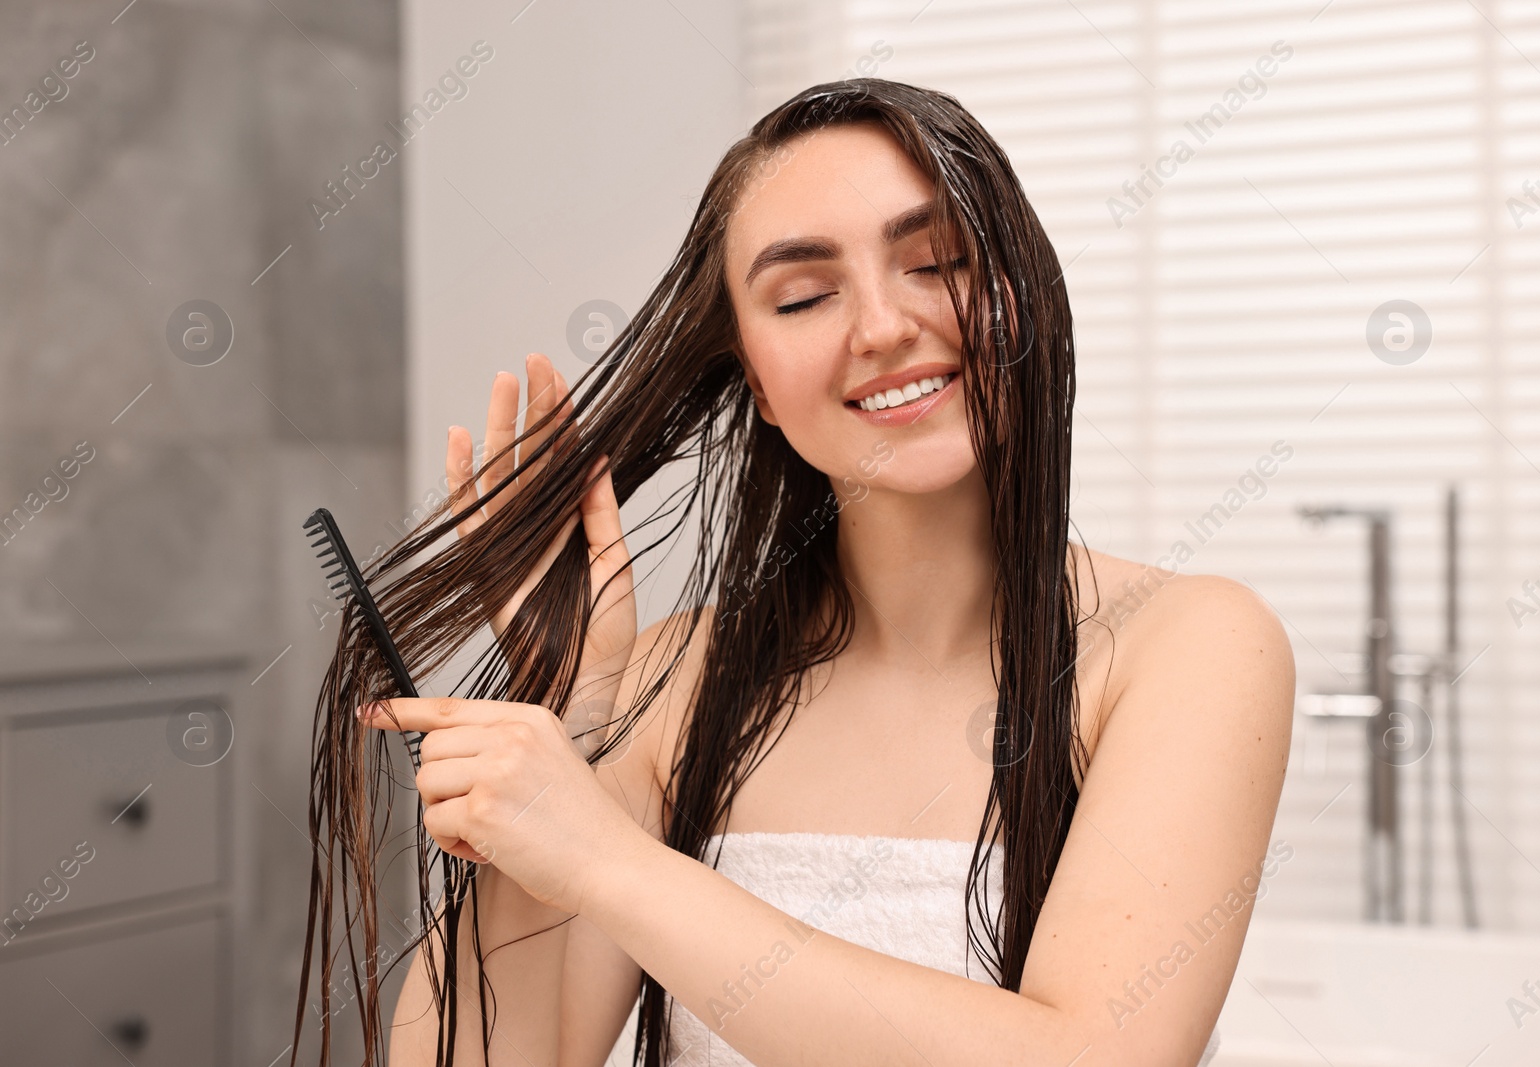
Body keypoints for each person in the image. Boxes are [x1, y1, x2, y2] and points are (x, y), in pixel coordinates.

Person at [361, 78, 1293, 1067]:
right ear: (755, 379)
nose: (883, 326)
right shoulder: (669, 687)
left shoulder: (1185, 644)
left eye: (935, 262)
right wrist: (572, 716)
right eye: (804, 296)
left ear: (1014, 299)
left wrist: (602, 855)